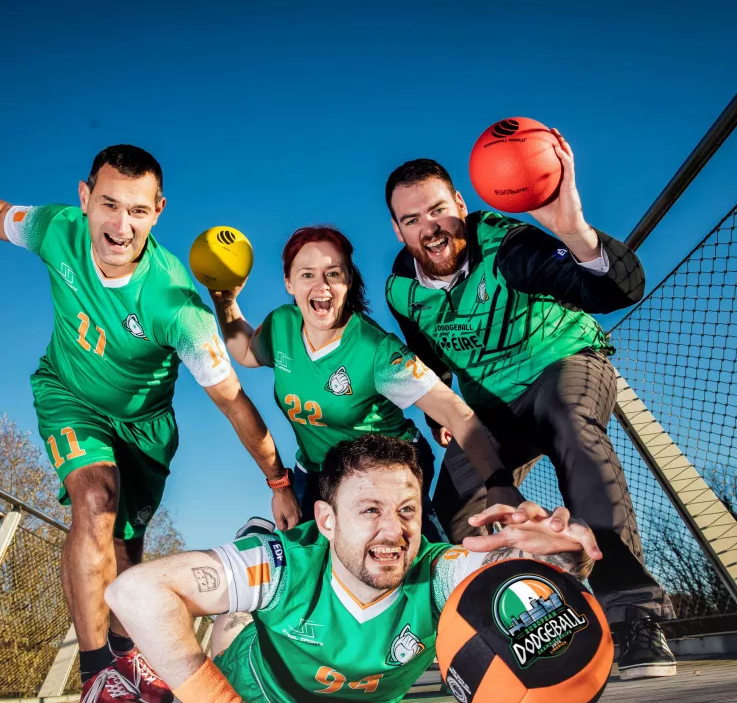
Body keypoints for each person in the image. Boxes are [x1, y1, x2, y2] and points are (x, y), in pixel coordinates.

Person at [0, 144, 301, 703]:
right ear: (85, 198)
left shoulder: (178, 306)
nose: (120, 225)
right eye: (108, 205)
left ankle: (131, 656)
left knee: (127, 548)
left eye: (137, 210)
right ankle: (96, 668)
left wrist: (277, 479)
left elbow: (233, 403)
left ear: (157, 212)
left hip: (145, 426)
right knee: (95, 501)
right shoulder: (56, 228)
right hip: (68, 396)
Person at [381, 133, 675, 680]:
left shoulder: (506, 245)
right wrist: (436, 415)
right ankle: (541, 603)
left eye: (440, 210)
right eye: (414, 218)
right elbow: (429, 360)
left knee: (570, 423)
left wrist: (574, 234)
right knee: (457, 506)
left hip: (561, 363)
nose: (432, 227)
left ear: (461, 208)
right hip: (492, 410)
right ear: (398, 230)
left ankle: (634, 612)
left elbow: (617, 290)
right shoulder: (402, 289)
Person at [104, 433, 601, 703]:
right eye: (369, 511)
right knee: (233, 619)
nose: (394, 530)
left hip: (360, 700)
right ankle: (248, 553)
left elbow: (510, 587)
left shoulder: (437, 568)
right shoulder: (287, 562)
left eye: (407, 510)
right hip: (260, 682)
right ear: (326, 520)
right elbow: (133, 591)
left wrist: (558, 559)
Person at [209, 225, 520, 541]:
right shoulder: (282, 325)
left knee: (401, 553)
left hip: (389, 464)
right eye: (307, 275)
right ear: (289, 282)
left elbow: (456, 412)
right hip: (318, 469)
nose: (322, 286)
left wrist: (498, 484)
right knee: (309, 557)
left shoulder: (376, 352)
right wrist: (224, 301)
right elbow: (247, 352)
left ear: (348, 280)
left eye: (333, 273)